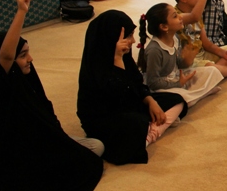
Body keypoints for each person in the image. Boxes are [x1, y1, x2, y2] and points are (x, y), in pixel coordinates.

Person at [0, 0, 103, 191]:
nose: (30, 59)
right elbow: (5, 55)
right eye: (23, 55)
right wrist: (21, 12)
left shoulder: (28, 80)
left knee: (96, 148)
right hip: (22, 152)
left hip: (46, 140)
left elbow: (46, 115)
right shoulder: (5, 82)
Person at [77, 10, 188, 165]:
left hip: (129, 105)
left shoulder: (126, 56)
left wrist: (151, 101)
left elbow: (137, 83)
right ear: (113, 38)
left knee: (177, 100)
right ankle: (149, 133)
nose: (133, 40)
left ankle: (149, 130)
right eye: (128, 36)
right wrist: (117, 60)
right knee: (136, 124)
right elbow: (117, 98)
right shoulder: (96, 63)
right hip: (106, 117)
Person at [137, 3, 224, 109]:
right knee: (181, 98)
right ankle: (201, 94)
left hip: (177, 77)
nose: (180, 17)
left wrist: (187, 60)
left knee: (213, 71)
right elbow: (153, 82)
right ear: (164, 27)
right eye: (175, 16)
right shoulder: (154, 50)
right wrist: (178, 84)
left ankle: (196, 95)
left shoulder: (175, 37)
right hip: (162, 87)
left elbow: (178, 64)